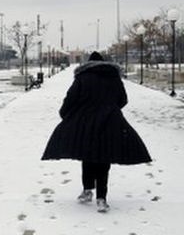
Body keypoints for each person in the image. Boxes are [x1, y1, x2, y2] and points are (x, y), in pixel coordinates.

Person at [41, 51, 151, 213]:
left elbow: (70, 99)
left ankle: (87, 191)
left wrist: (67, 115)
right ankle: (101, 198)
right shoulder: (113, 77)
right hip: (109, 121)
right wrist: (110, 109)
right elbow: (123, 99)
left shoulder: (82, 77)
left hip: (85, 121)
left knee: (87, 155)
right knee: (104, 157)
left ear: (88, 63)